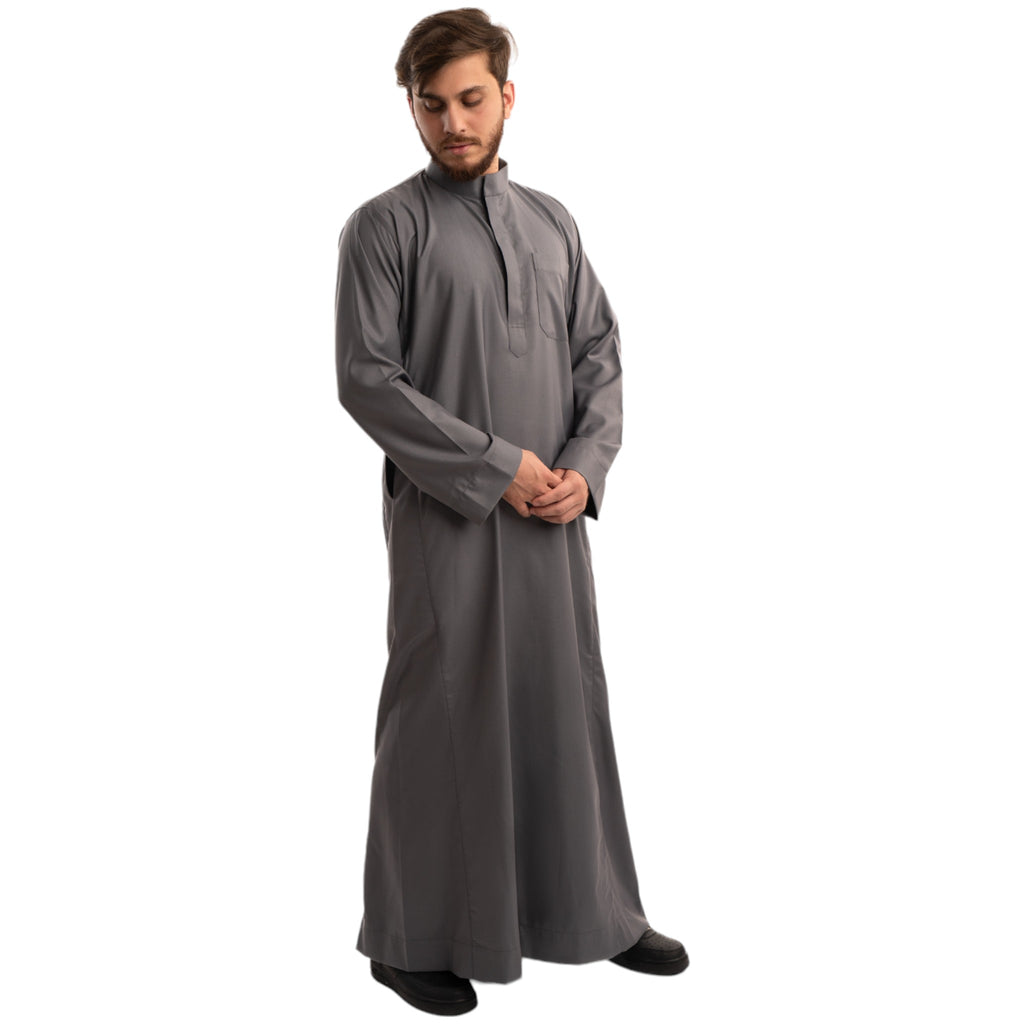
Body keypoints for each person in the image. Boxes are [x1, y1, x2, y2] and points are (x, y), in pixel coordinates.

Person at [334, 8, 688, 1016]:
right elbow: (367, 379)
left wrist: (584, 466)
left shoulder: (552, 221)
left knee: (562, 704)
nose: (453, 122)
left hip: (552, 520)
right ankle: (410, 938)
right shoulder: (383, 227)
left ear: (507, 97)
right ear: (410, 108)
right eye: (431, 104)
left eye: (471, 99)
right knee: (440, 716)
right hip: (447, 519)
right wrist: (498, 466)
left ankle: (592, 914)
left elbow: (599, 353)